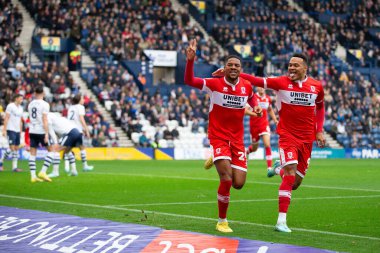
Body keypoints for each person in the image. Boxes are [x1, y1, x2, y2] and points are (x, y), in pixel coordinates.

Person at [213, 53, 325, 233]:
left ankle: (277, 168)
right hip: (287, 136)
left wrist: (319, 130)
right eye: (290, 65)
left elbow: (320, 107)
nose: (291, 68)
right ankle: (281, 221)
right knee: (289, 174)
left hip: (307, 140)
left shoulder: (316, 87)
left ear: (305, 68)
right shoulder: (280, 82)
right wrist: (232, 73)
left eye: (296, 65)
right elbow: (256, 80)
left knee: (295, 183)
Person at [184, 39, 262, 233]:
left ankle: (217, 158)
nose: (234, 68)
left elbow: (252, 97)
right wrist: (190, 61)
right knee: (226, 179)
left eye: (237, 65)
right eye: (230, 65)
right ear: (224, 68)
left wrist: (256, 105)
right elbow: (189, 81)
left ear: (241, 69)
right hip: (218, 137)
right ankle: (222, 221)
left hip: (237, 140)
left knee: (238, 184)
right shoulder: (215, 84)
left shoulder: (246, 86)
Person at [246, 87, 278, 172]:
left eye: (263, 87)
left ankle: (269, 168)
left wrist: (275, 120)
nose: (261, 89)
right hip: (254, 126)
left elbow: (270, 110)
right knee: (254, 148)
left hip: (264, 124)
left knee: (267, 144)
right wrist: (255, 114)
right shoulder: (252, 98)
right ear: (257, 88)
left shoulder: (268, 98)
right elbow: (245, 111)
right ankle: (245, 152)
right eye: (259, 87)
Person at [27, 86, 52, 183]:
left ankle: (33, 176)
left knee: (32, 154)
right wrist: (46, 133)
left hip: (32, 130)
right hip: (41, 131)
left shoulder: (30, 104)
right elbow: (44, 119)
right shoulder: (45, 104)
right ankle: (43, 171)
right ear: (43, 93)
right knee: (51, 151)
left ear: (35, 93)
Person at [65, 94, 94, 172]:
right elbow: (81, 119)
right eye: (82, 99)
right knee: (81, 147)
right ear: (79, 100)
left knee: (69, 148)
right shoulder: (80, 107)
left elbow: (72, 119)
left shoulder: (71, 108)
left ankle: (67, 166)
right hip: (77, 131)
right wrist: (86, 129)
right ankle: (84, 166)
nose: (84, 100)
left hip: (69, 129)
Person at [0, 94, 24, 172]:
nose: (21, 100)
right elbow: (6, 118)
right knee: (11, 148)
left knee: (16, 148)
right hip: (11, 129)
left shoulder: (21, 108)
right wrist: (4, 129)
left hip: (17, 130)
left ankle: (14, 167)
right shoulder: (10, 106)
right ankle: (1, 162)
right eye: (20, 99)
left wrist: (20, 131)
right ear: (16, 99)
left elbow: (20, 120)